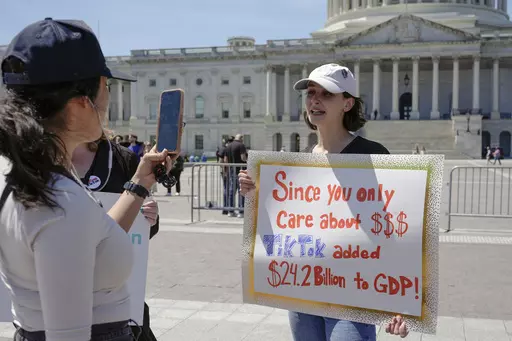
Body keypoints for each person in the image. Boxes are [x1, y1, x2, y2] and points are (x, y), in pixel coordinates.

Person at [0, 18, 175, 341]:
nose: (109, 98)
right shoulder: (60, 201)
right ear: (82, 103)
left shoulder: (31, 176)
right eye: (106, 85)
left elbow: (88, 240)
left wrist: (139, 183)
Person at [238, 63, 408, 341]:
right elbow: (291, 222)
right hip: (304, 290)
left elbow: (396, 227)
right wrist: (255, 195)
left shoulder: (373, 154)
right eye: (310, 93)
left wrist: (400, 300)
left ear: (347, 103)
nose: (314, 100)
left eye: (326, 94)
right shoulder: (301, 157)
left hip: (355, 294)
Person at [71, 135, 160, 341]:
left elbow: (144, 229)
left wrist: (150, 218)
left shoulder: (122, 158)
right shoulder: (39, 157)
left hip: (117, 298)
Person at [224, 134, 247, 218]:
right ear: (241, 139)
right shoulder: (241, 146)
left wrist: (227, 170)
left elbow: (225, 160)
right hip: (241, 170)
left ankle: (231, 210)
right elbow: (243, 158)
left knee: (231, 191)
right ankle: (241, 211)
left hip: (231, 170)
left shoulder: (228, 146)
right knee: (241, 191)